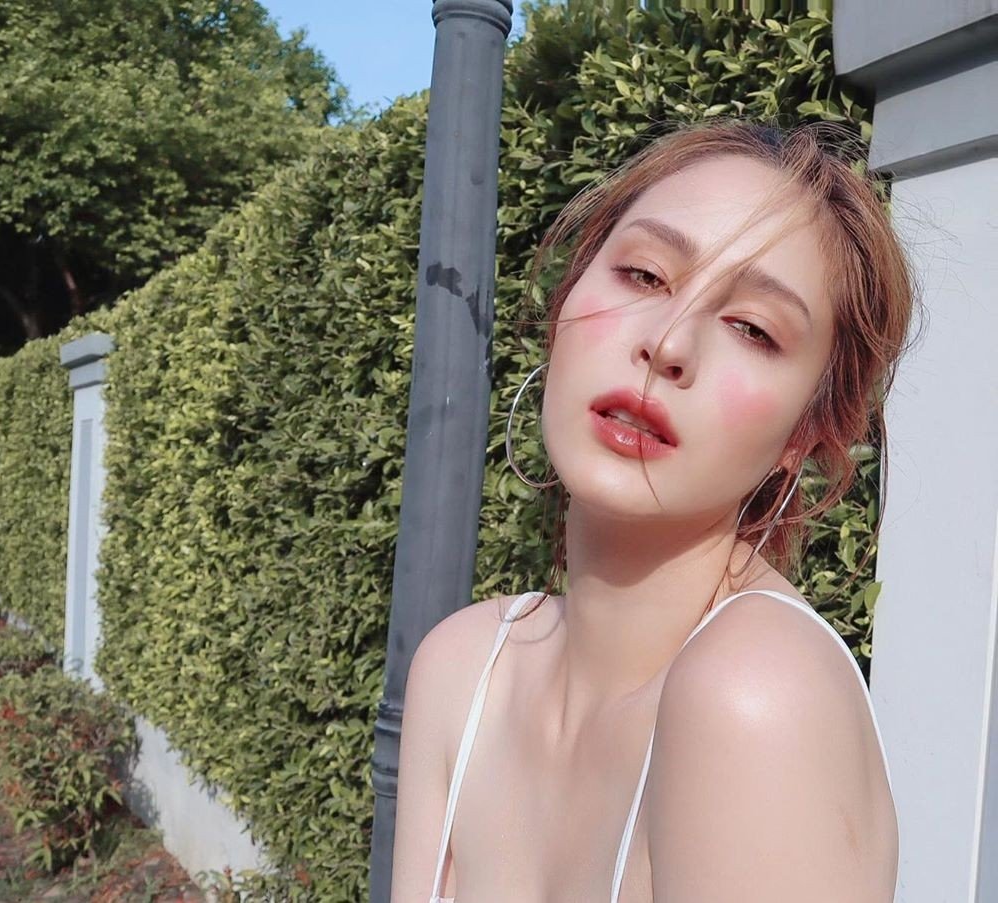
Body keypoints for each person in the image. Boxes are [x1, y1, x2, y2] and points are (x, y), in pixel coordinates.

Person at [391, 118, 913, 902]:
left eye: (752, 328)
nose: (668, 342)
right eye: (643, 275)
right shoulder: (463, 667)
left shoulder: (757, 695)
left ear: (804, 433)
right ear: (565, 302)